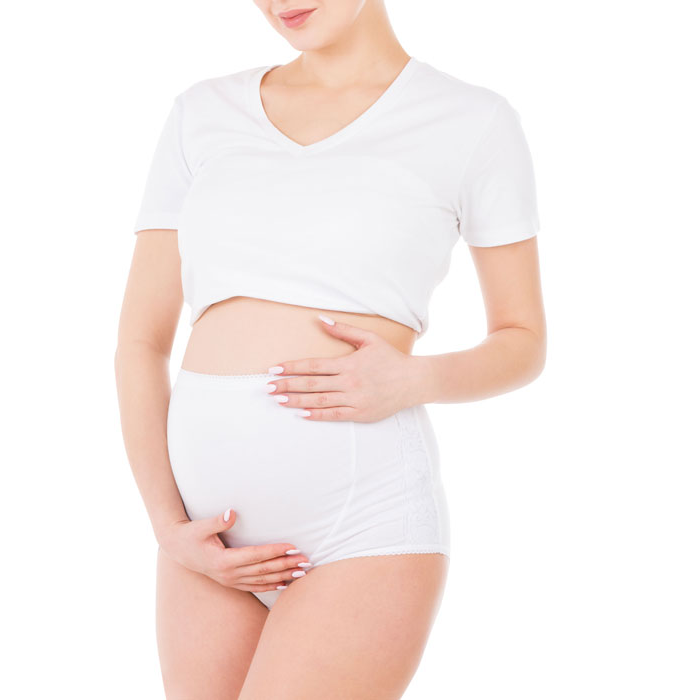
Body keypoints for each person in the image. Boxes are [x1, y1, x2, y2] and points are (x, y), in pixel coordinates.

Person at [114, 1, 546, 698]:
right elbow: (139, 342)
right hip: (205, 535)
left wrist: (413, 380)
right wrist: (168, 526)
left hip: (361, 524)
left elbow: (523, 341)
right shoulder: (202, 113)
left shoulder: (471, 121)